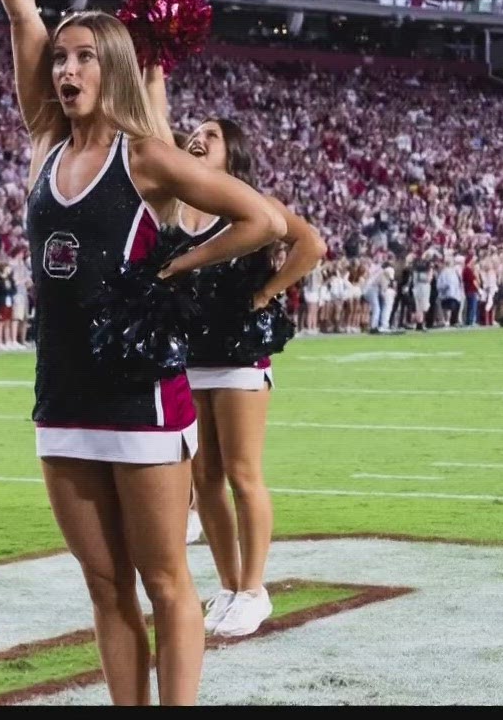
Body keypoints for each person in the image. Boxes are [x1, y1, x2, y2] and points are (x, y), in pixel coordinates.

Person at [0, 0, 282, 706]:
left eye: (84, 56)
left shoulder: (146, 157)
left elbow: (261, 221)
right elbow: (23, 17)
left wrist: (176, 267)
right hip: (62, 398)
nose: (66, 68)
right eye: (61, 58)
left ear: (112, 67)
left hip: (143, 398)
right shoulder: (45, 147)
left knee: (165, 580)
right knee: (103, 584)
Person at [147, 81, 326, 639]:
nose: (198, 139)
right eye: (195, 133)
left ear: (234, 151)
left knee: (244, 475)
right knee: (206, 478)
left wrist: (269, 292)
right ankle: (228, 588)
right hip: (192, 352)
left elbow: (312, 245)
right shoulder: (179, 202)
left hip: (240, 356)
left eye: (211, 136)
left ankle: (255, 588)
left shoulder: (253, 204)